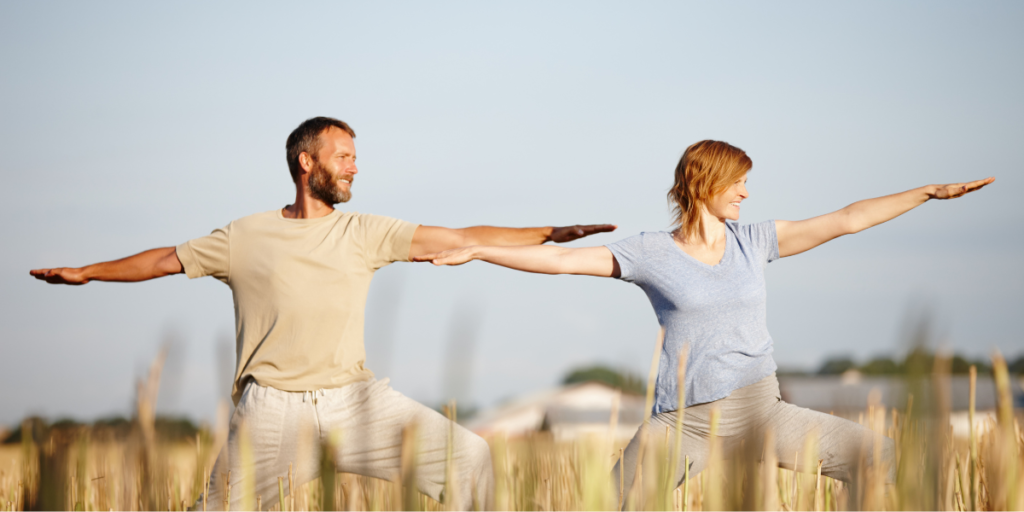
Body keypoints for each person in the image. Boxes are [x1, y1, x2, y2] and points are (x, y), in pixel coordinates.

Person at [30, 116, 616, 510]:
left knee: (472, 458)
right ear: (307, 163)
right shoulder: (245, 237)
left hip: (356, 402)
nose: (355, 166)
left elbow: (458, 235)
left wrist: (544, 234)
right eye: (344, 157)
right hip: (271, 414)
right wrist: (87, 271)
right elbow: (163, 259)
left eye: (357, 157)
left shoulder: (365, 232)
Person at [416, 140, 994, 507]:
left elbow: (844, 219)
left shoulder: (755, 240)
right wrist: (480, 250)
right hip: (685, 424)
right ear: (704, 183)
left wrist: (927, 192)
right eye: (737, 180)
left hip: (762, 411)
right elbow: (564, 261)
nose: (747, 190)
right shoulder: (650, 253)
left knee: (879, 458)